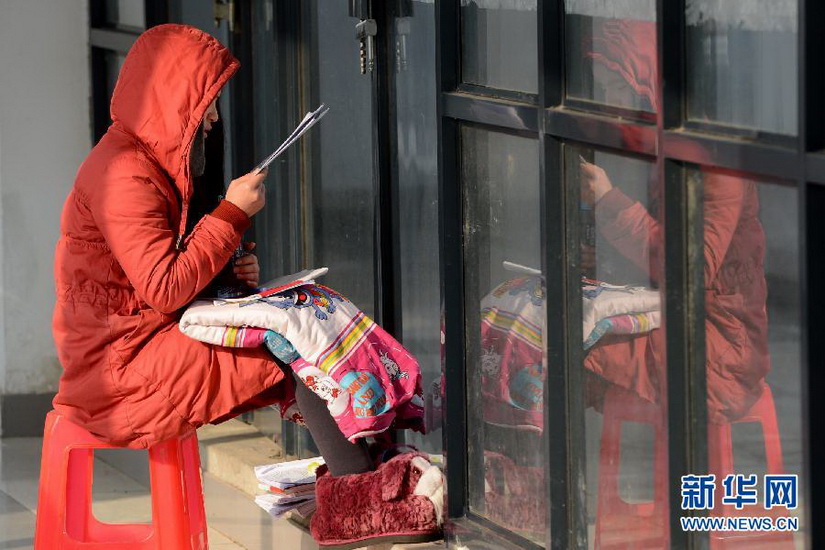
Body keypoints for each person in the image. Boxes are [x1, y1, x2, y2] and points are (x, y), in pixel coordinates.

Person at [52, 24, 440, 547]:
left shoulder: (151, 164)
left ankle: (370, 477)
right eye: (205, 105)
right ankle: (356, 504)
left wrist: (228, 271)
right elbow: (165, 288)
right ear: (171, 102)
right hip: (117, 369)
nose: (213, 118)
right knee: (292, 342)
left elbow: (163, 276)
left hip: (147, 341)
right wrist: (231, 214)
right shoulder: (123, 174)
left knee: (308, 314)